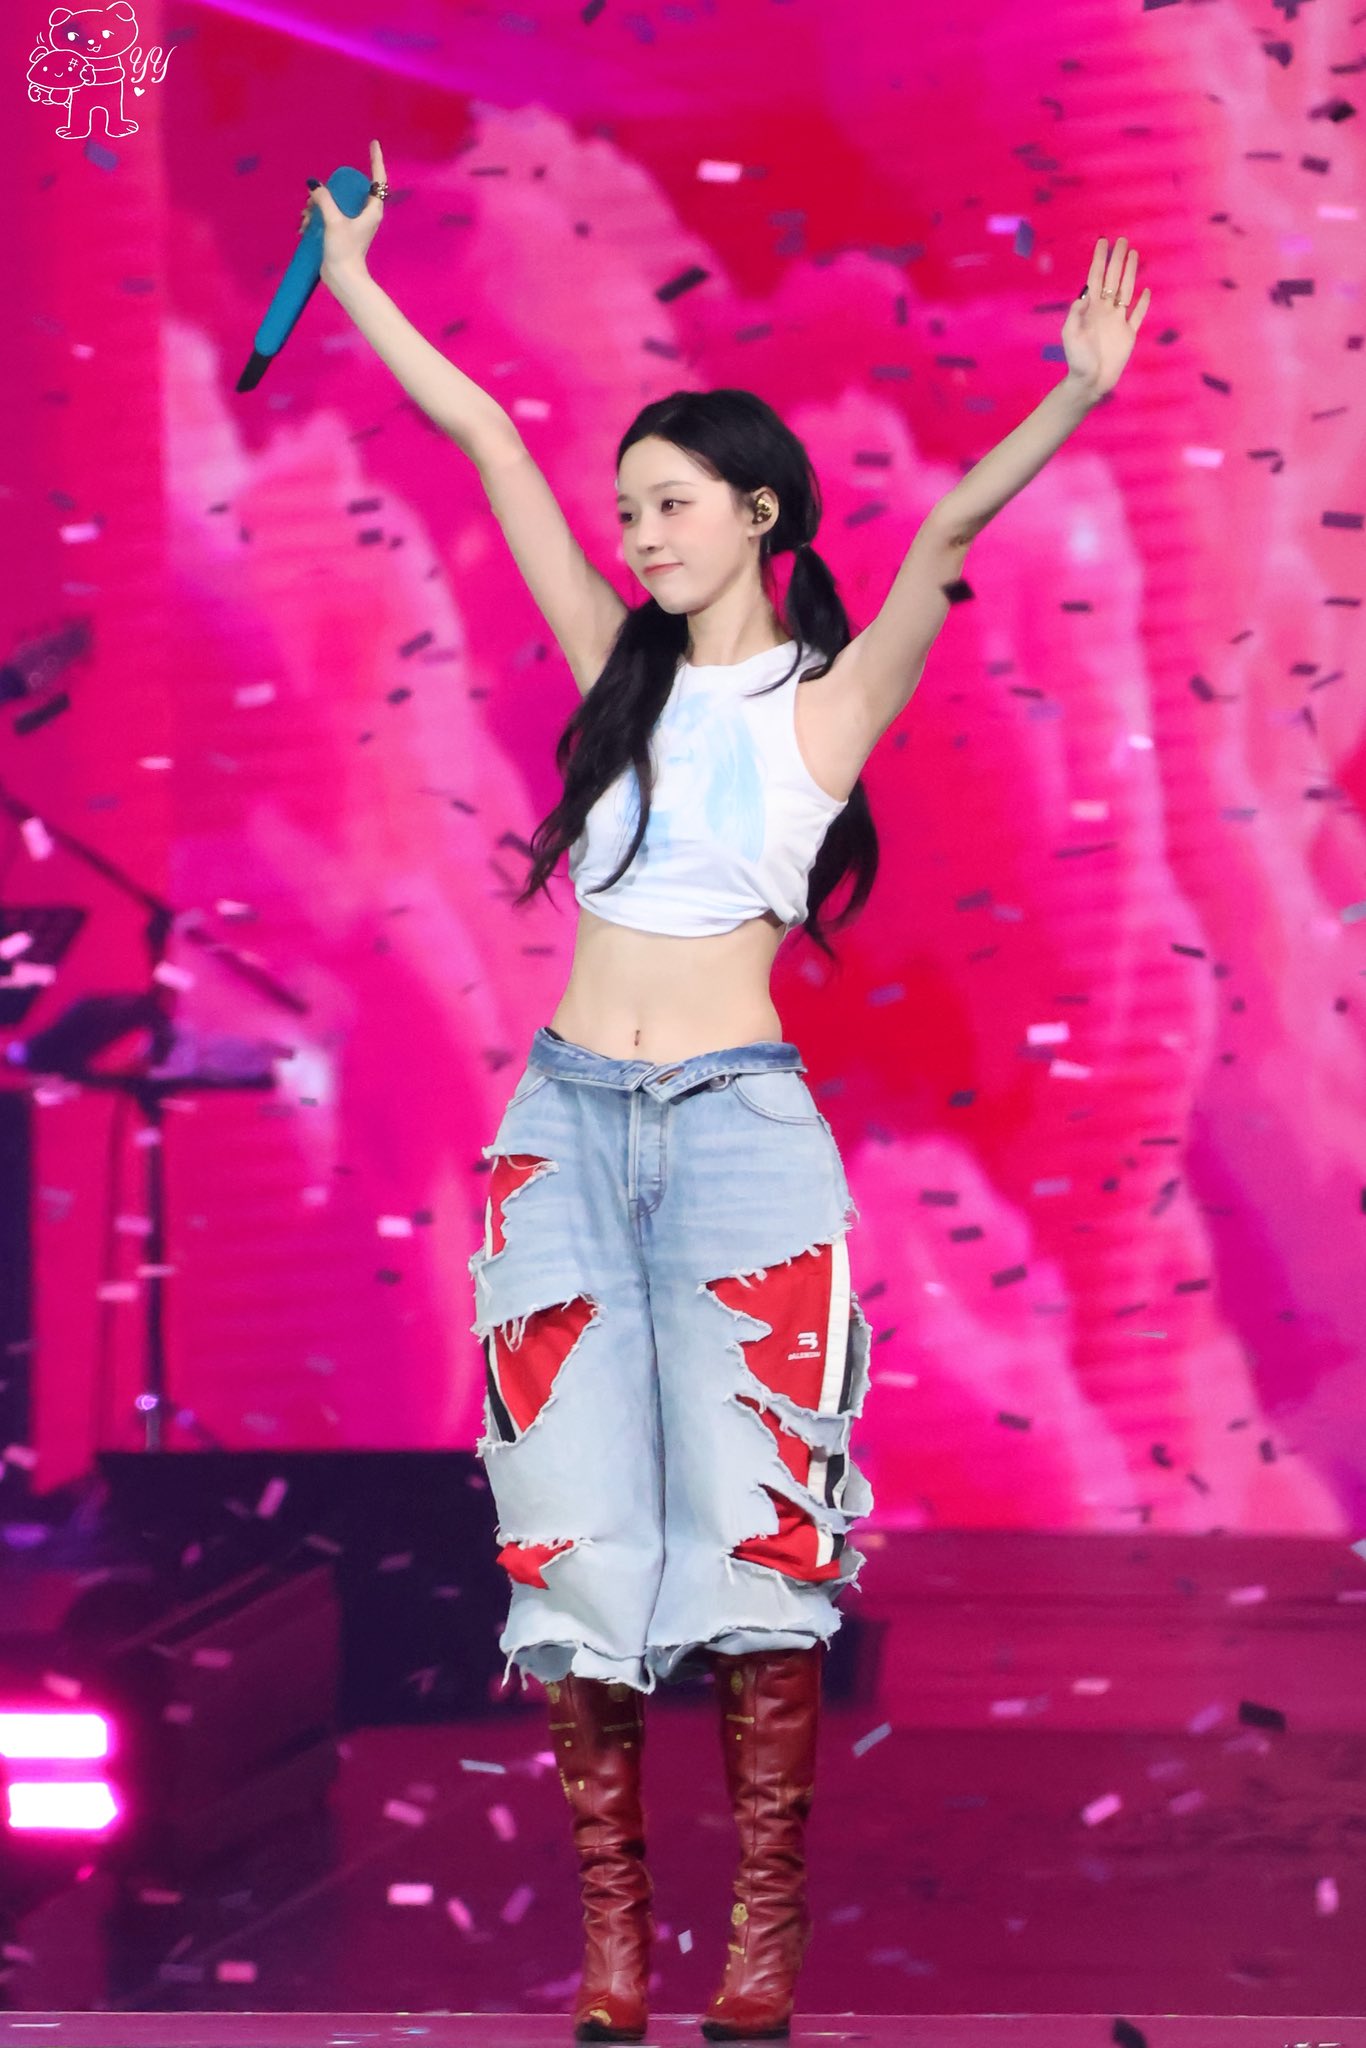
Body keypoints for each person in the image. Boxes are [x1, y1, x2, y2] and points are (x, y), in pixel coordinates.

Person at [305, 142, 1149, 2045]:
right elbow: (486, 444)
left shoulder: (824, 705)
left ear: (758, 514)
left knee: (764, 1548)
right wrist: (354, 286)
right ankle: (615, 1942)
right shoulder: (615, 680)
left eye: (670, 505)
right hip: (559, 1138)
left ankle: (760, 1935)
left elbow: (947, 532)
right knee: (570, 1542)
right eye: (627, 509)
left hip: (741, 1150)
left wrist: (1076, 393)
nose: (635, 534)